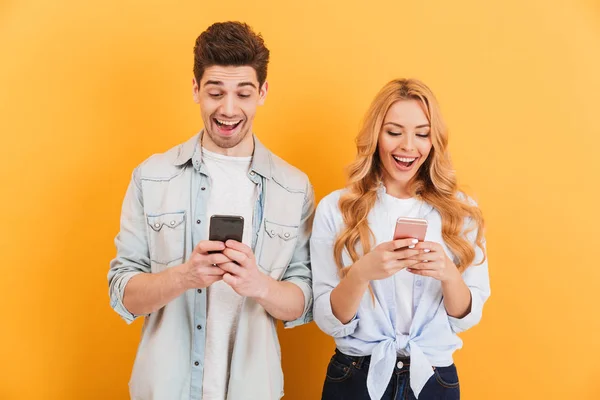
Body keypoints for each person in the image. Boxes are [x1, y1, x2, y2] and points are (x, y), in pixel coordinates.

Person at [108, 21, 314, 400]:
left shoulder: (294, 187)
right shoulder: (152, 176)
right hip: (165, 389)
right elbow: (123, 293)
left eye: (244, 93)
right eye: (215, 92)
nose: (229, 109)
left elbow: (303, 301)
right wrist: (184, 277)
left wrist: (259, 284)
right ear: (196, 90)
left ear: (263, 92)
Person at [311, 79, 490, 400]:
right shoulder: (336, 208)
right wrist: (363, 272)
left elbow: (467, 317)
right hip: (355, 375)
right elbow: (328, 319)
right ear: (375, 135)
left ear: (434, 141)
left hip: (433, 377)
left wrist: (448, 274)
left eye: (422, 134)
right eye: (394, 132)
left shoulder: (461, 210)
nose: (409, 146)